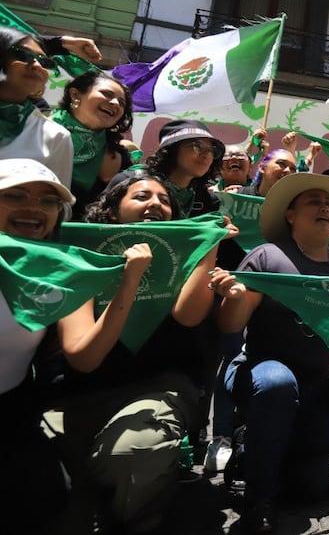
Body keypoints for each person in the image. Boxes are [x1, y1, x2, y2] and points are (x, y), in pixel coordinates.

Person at [44, 171, 231, 533]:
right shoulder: (78, 256)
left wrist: (209, 244)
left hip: (158, 387)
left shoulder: (183, 256)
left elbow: (189, 316)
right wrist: (128, 281)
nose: (156, 205)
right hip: (81, 394)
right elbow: (85, 358)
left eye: (164, 200)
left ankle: (137, 512)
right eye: (142, 197)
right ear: (112, 210)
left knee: (135, 451)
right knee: (46, 474)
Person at [212, 172, 329, 533]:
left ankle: (256, 452)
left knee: (311, 490)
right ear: (291, 215)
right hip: (264, 374)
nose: (325, 206)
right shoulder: (267, 256)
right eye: (313, 201)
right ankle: (258, 498)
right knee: (278, 386)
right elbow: (231, 325)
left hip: (319, 387)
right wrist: (234, 298)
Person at [0, 159, 79, 531]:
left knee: (47, 494)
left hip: (13, 409)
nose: (33, 208)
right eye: (14, 195)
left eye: (48, 201)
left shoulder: (56, 272)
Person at [51, 71, 132, 217]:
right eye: (106, 94)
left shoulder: (117, 155)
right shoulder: (36, 130)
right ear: (75, 95)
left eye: (121, 103)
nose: (115, 103)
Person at [0, 28, 73, 184]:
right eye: (22, 55)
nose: (37, 65)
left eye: (45, 61)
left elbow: (58, 203)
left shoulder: (55, 137)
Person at [145, 119, 224, 219]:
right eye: (197, 146)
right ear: (171, 149)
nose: (206, 155)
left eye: (212, 150)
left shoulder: (208, 201)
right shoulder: (132, 184)